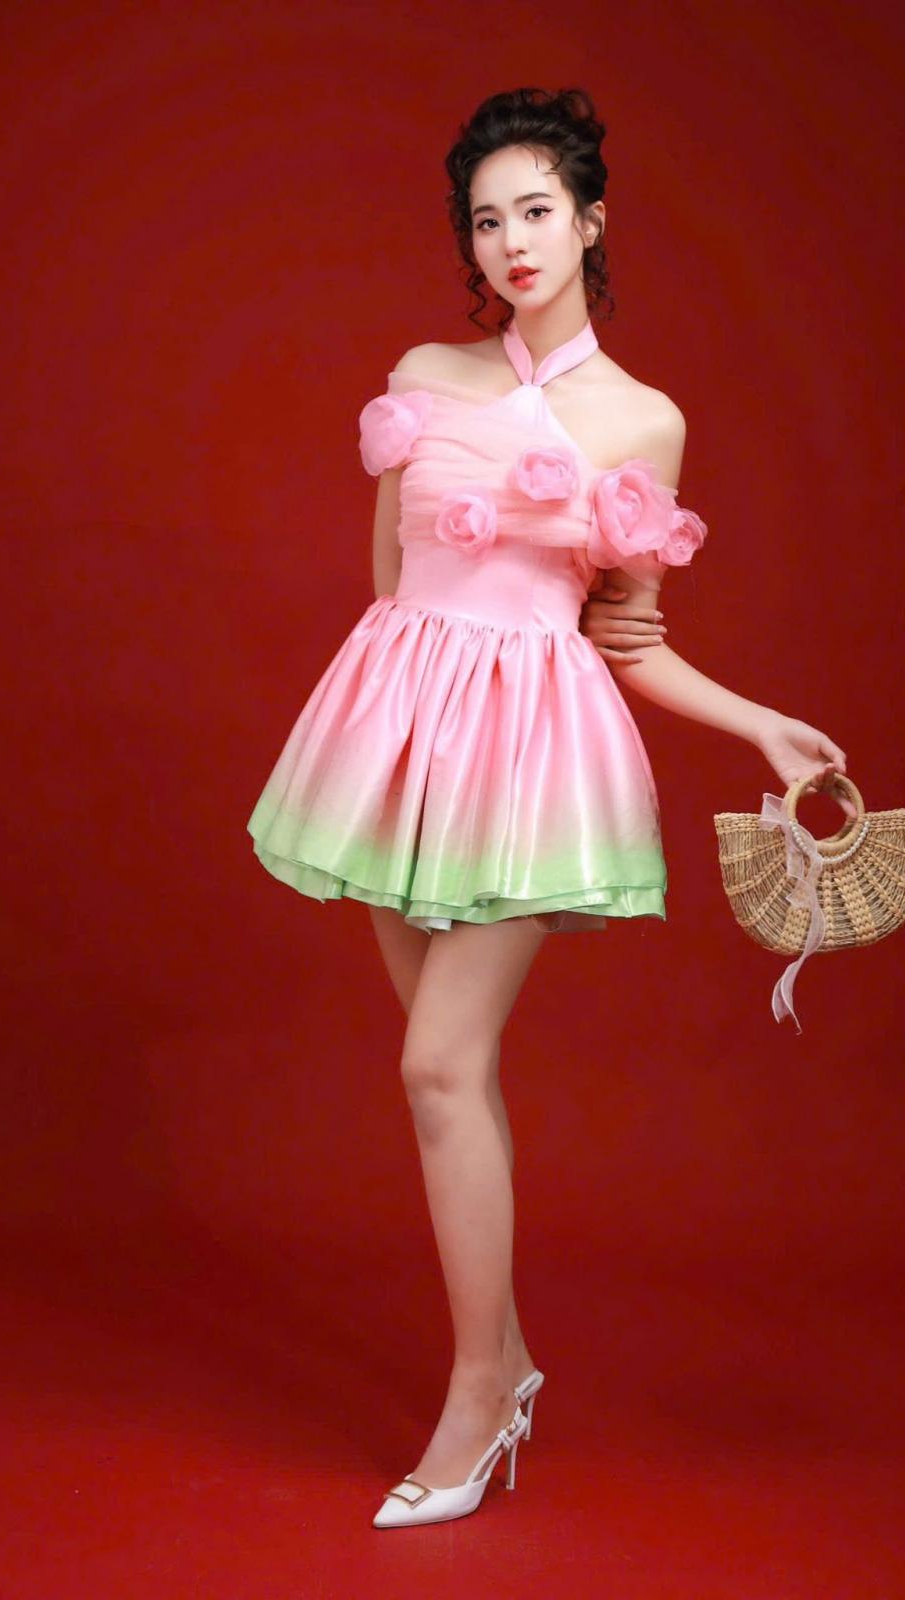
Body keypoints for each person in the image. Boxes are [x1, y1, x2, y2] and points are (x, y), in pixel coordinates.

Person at [245, 86, 851, 1529]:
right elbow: (394, 580)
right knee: (447, 1080)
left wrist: (758, 721)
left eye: (536, 210)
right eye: (485, 219)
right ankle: (507, 1361)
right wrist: (402, 728)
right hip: (401, 740)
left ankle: (476, 1395)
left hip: (529, 762)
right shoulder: (423, 374)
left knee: (437, 1067)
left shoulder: (643, 420)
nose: (511, 240)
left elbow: (627, 634)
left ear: (590, 221)